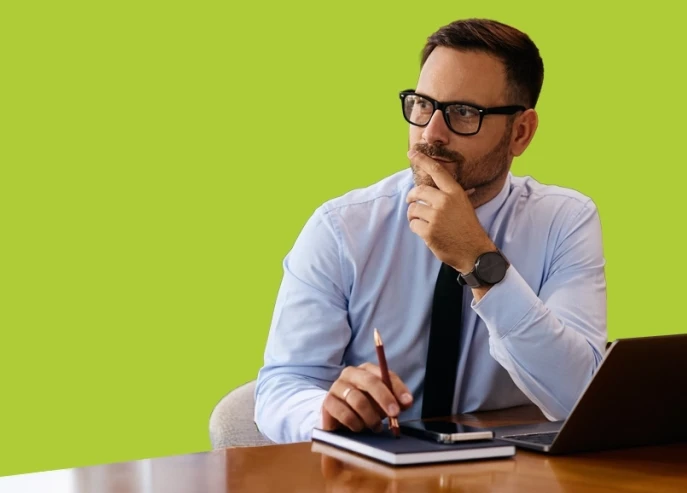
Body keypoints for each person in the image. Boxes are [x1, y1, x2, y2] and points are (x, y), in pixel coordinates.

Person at [254, 18, 608, 444]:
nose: (430, 134)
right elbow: (282, 385)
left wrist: (479, 262)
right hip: (372, 475)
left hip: (504, 475)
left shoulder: (564, 222)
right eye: (423, 104)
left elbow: (580, 397)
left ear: (520, 132)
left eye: (463, 113)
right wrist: (325, 411)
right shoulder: (342, 229)